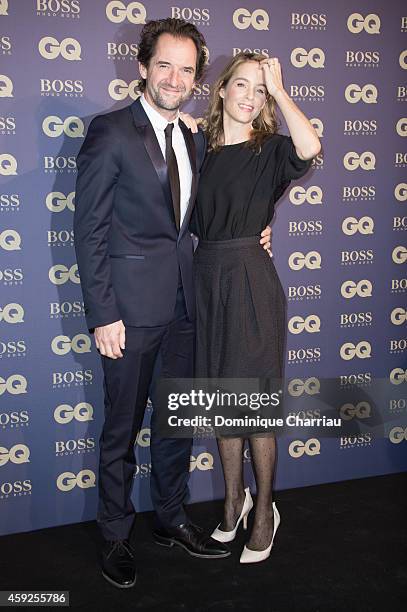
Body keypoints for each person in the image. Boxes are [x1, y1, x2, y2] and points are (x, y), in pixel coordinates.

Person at [74, 19, 272, 588]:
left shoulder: (195, 138)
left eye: (187, 69)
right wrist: (103, 313)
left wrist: (261, 230)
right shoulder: (110, 133)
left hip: (188, 308)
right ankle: (114, 534)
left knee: (176, 425)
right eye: (164, 65)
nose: (175, 77)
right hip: (129, 316)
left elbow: (217, 208)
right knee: (121, 428)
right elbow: (87, 231)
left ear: (197, 79)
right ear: (142, 68)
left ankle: (169, 517)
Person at [190, 52, 321, 564]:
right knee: (224, 401)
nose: (249, 96)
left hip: (249, 278)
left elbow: (311, 147)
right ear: (221, 90)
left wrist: (281, 89)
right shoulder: (198, 147)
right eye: (240, 85)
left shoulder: (271, 150)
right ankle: (232, 502)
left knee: (256, 405)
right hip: (206, 276)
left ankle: (264, 509)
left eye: (258, 90)